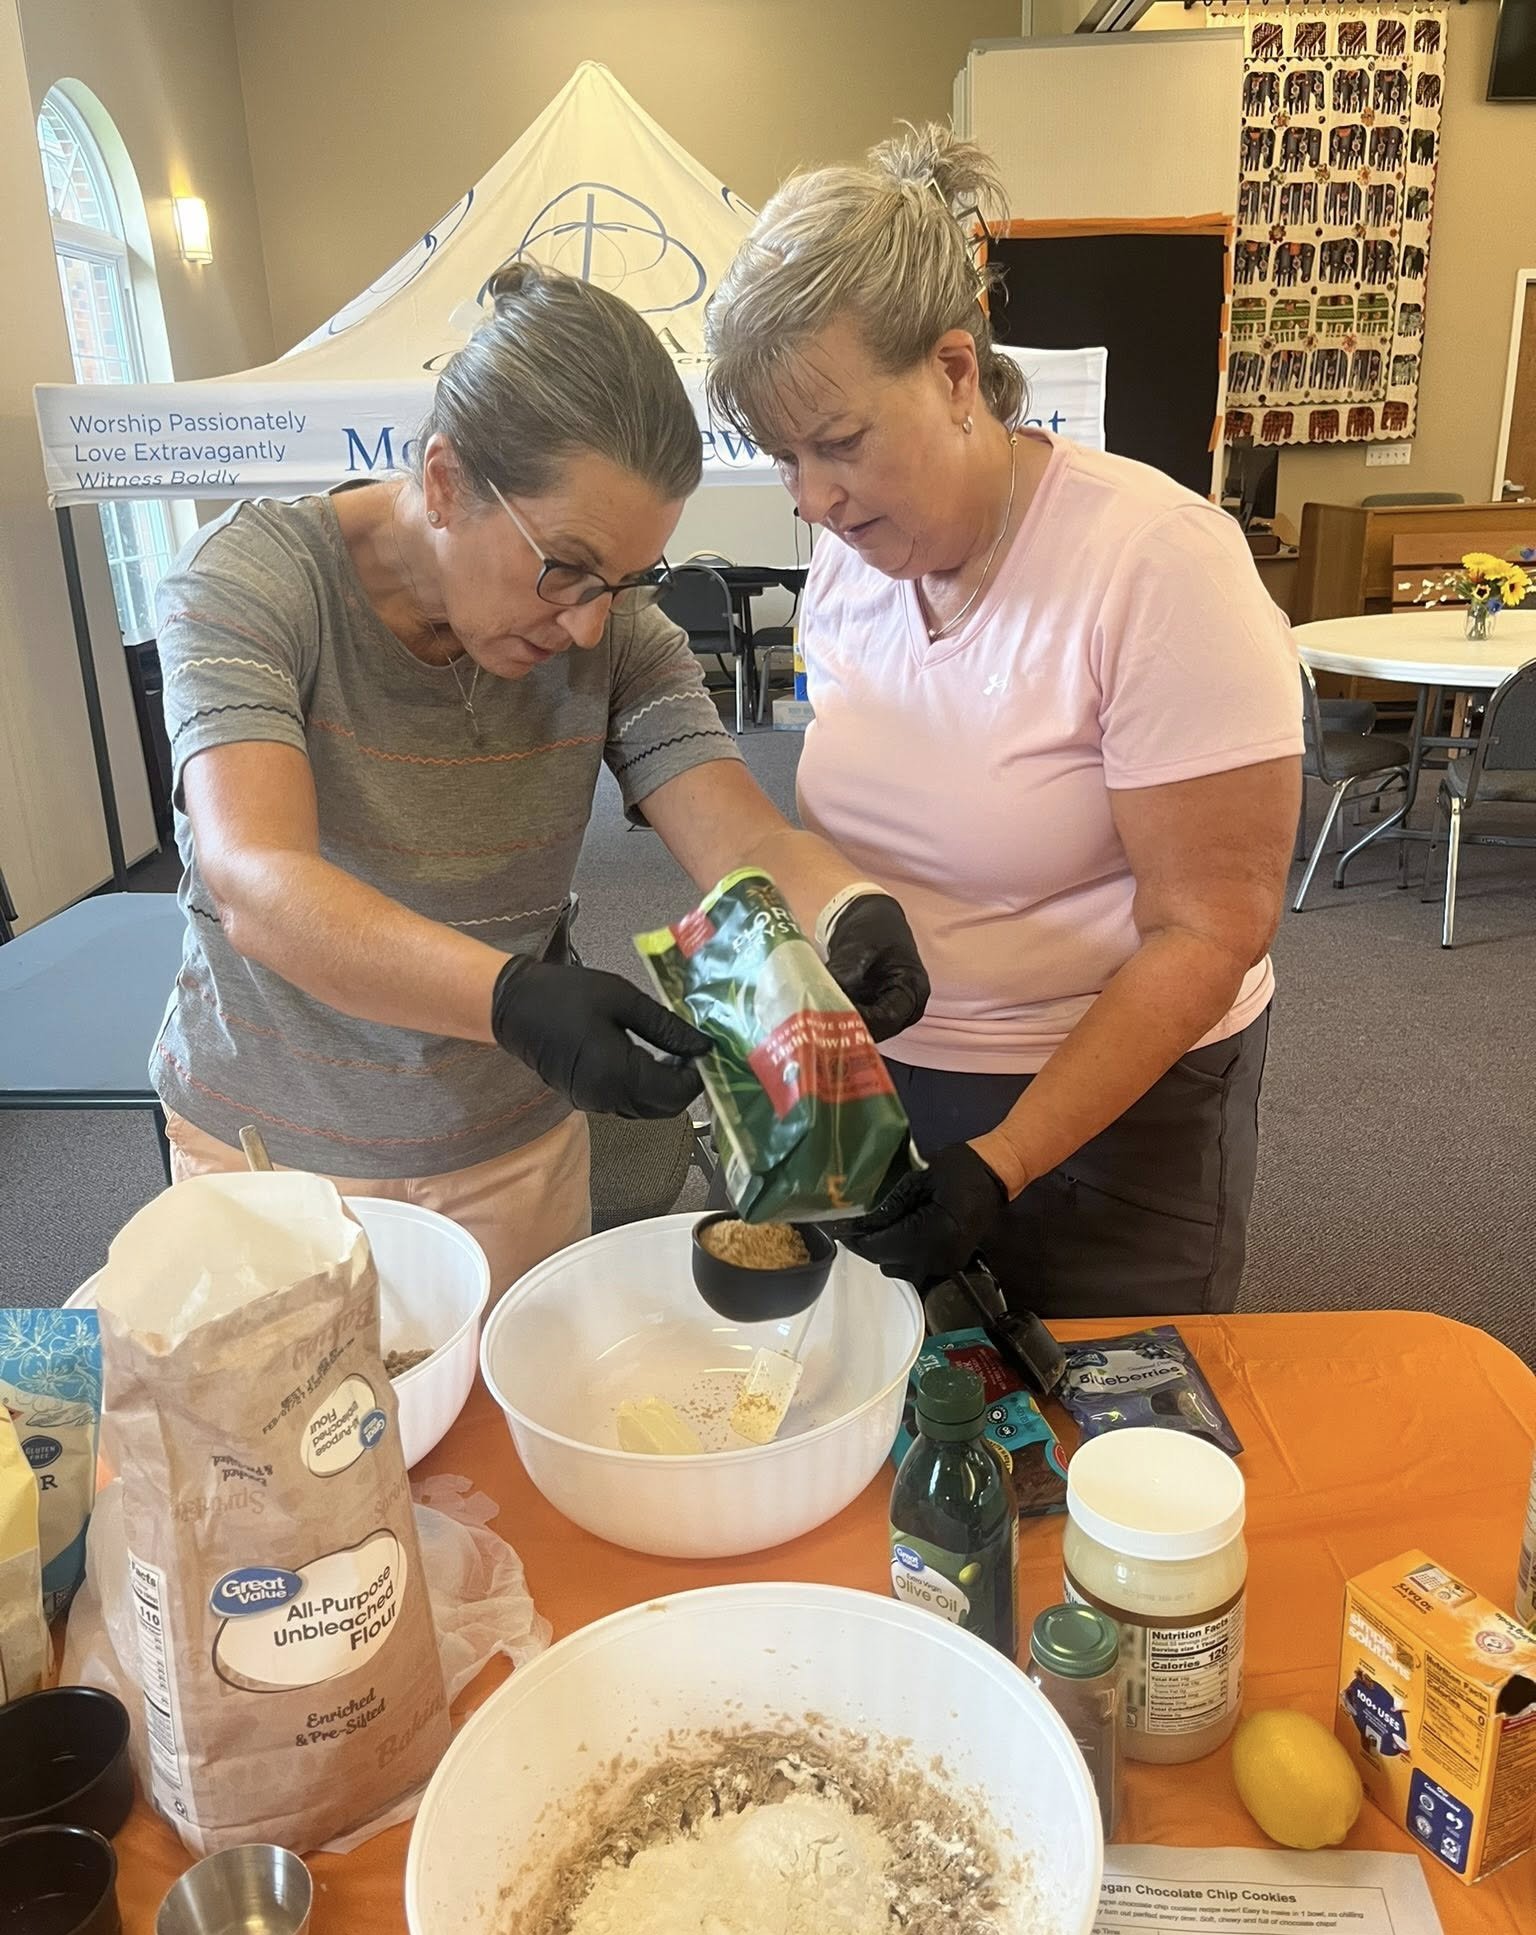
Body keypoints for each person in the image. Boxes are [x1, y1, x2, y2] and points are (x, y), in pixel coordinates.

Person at [153, 263, 928, 1300]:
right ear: (443, 481)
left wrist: (844, 908)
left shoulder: (612, 630)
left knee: (515, 1402)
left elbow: (738, 836)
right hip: (276, 1151)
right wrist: (510, 999)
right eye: (565, 566)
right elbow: (258, 879)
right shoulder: (254, 584)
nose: (588, 625)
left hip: (509, 1145)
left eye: (625, 581)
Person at [706, 129, 1303, 1316]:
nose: (813, 499)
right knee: (905, 1398)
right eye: (783, 458)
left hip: (1113, 1099)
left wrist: (1006, 1156)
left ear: (954, 371)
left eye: (840, 444)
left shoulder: (1156, 562)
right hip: (889, 1084)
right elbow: (853, 831)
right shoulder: (853, 563)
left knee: (1104, 1400)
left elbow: (1208, 927)